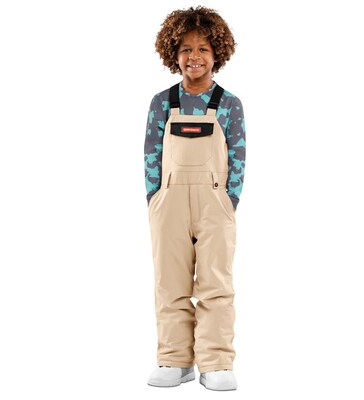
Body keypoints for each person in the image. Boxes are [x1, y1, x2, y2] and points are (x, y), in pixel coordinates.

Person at [144, 6, 246, 391]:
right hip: (168, 202)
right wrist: (155, 198)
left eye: (203, 48)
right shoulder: (162, 102)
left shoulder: (229, 104)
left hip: (214, 203)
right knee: (169, 282)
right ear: (174, 54)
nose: (194, 57)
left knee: (216, 283)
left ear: (217, 52)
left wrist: (228, 201)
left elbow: (239, 156)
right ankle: (175, 359)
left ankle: (216, 362)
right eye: (185, 49)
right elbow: (151, 153)